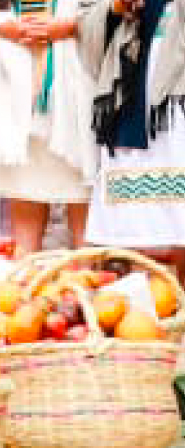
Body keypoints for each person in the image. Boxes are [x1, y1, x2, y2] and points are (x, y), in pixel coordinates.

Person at [0, 0, 94, 254]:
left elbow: (106, 12)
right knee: (26, 189)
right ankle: (24, 281)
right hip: (17, 80)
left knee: (82, 192)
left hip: (73, 80)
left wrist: (69, 26)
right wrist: (9, 26)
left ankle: (87, 278)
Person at [79, 0, 185, 259]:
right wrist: (117, 6)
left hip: (176, 94)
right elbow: (86, 21)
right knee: (133, 235)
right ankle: (146, 290)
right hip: (129, 92)